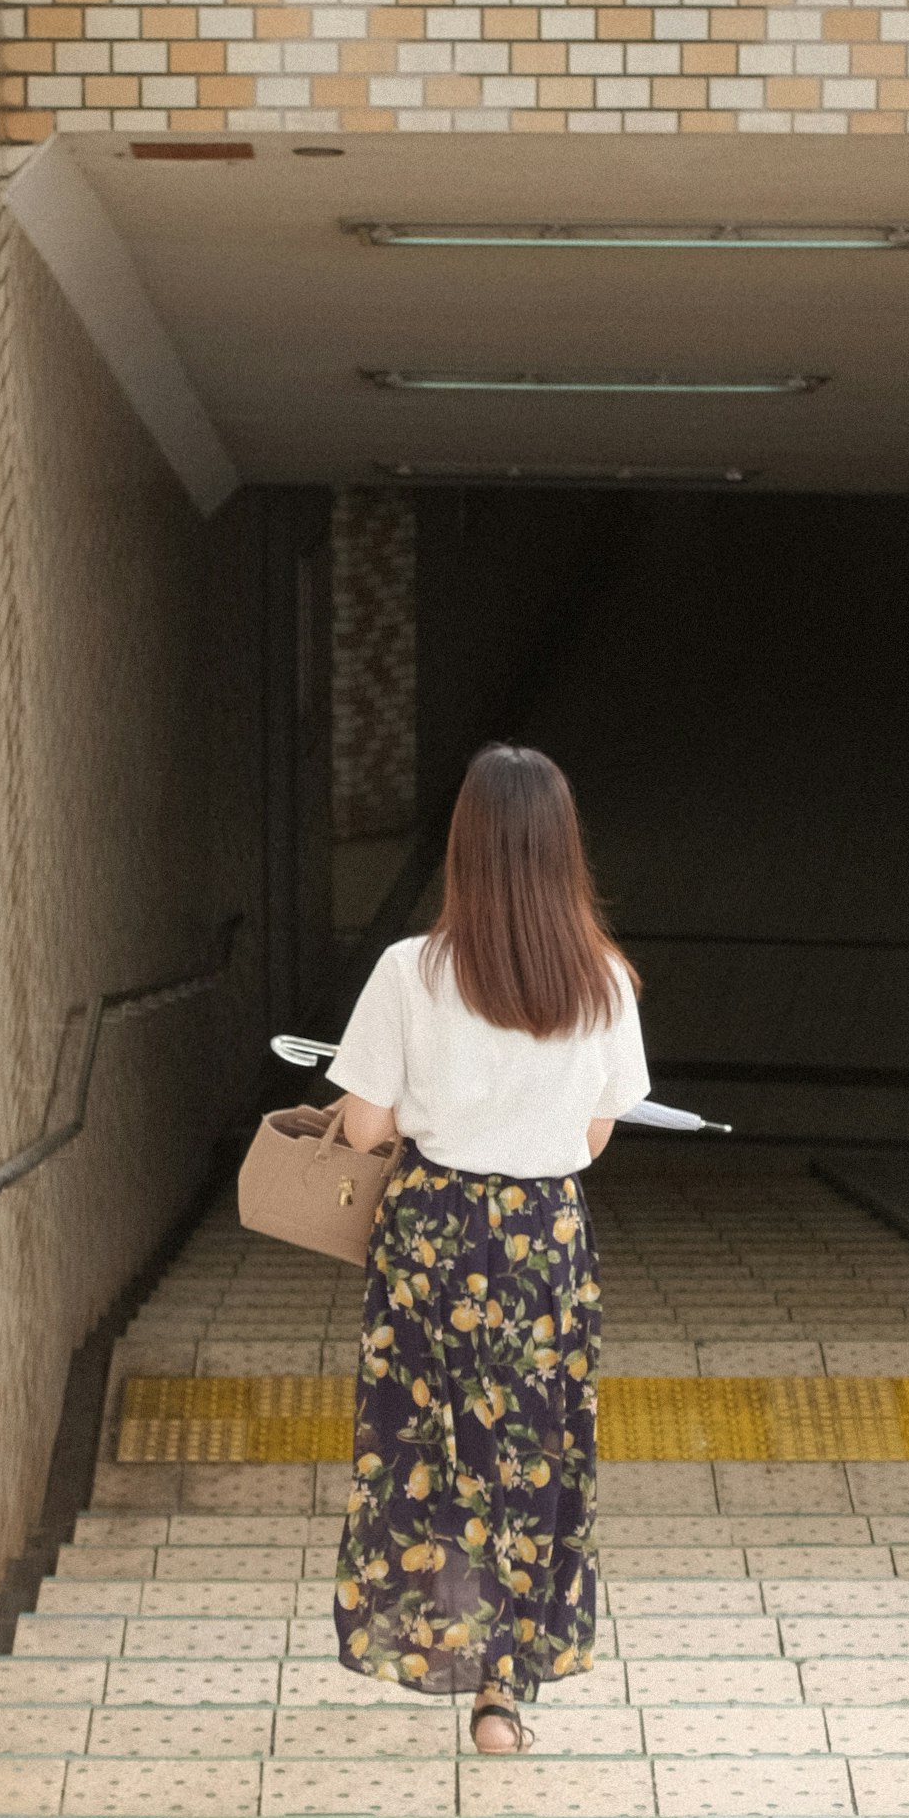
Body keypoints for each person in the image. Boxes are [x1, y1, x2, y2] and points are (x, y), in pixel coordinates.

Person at [323, 742, 649, 1758]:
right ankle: (502, 1690)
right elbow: (595, 1134)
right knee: (531, 1456)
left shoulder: (406, 973)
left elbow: (369, 1128)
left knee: (433, 1452)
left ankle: (446, 1641)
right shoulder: (602, 978)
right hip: (544, 1241)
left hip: (434, 1236)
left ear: (463, 844)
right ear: (562, 851)